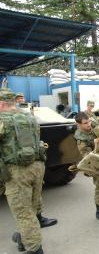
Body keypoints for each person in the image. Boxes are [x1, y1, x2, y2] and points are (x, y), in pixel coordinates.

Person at [0, 90, 57, 254]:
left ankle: (35, 249)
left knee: (23, 212)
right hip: (37, 167)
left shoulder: (2, 119)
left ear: (1, 104)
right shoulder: (29, 117)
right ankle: (23, 238)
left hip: (18, 171)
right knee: (30, 209)